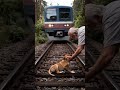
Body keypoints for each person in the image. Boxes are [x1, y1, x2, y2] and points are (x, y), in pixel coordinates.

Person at [85, 1, 120, 81]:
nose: (91, 27)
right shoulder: (111, 7)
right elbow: (114, 48)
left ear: (97, 17)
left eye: (91, 24)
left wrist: (89, 75)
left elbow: (108, 54)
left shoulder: (111, 19)